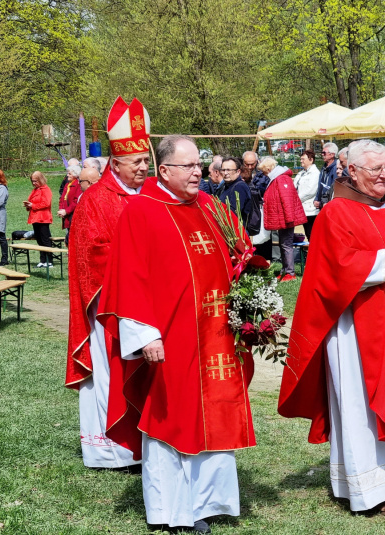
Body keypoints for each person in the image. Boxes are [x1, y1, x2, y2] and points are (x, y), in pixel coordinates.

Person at [278, 139, 385, 517]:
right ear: (351, 172)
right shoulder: (335, 214)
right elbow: (338, 268)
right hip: (358, 330)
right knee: (363, 407)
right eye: (375, 169)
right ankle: (369, 488)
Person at [98, 135, 256, 534]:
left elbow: (240, 254)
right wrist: (144, 335)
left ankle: (210, 501)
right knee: (173, 418)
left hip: (217, 334)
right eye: (188, 166)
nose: (199, 171)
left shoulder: (209, 205)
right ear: (165, 171)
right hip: (172, 339)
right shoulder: (142, 211)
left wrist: (255, 303)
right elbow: (129, 278)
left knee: (217, 410)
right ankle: (173, 510)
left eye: (200, 165)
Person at [66, 96, 150, 470]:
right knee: (110, 370)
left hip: (149, 302)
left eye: (146, 160)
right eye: (137, 162)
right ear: (115, 163)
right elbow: (88, 255)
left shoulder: (151, 195)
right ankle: (111, 450)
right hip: (107, 307)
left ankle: (146, 442)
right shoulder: (95, 200)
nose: (144, 168)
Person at [261, 157, 306, 282]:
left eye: (264, 171)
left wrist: (289, 218)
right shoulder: (279, 178)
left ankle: (290, 272)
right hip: (283, 217)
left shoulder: (281, 179)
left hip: (286, 218)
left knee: (286, 244)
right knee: (284, 243)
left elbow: (287, 200)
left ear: (268, 169)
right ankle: (285, 269)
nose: (264, 174)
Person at [24, 171, 54, 268]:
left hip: (43, 218)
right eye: (32, 181)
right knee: (39, 240)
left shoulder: (46, 189)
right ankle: (42, 260)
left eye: (35, 181)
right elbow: (32, 201)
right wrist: (28, 205)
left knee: (45, 239)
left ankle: (49, 260)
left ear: (40, 180)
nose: (34, 183)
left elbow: (46, 203)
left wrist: (33, 205)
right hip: (35, 217)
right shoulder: (35, 190)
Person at [294, 149, 320, 240]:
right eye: (300, 159)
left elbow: (310, 191)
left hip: (310, 210)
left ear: (311, 160)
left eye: (303, 159)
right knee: (308, 234)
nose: (301, 161)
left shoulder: (315, 174)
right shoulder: (301, 173)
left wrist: (296, 201)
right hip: (302, 209)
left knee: (311, 234)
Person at [218, 157, 253, 225]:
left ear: (238, 172)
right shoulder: (227, 186)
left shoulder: (239, 187)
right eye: (223, 170)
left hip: (236, 232)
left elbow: (233, 214)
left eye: (229, 170)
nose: (225, 173)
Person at [58, 165, 82, 245]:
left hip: (73, 214)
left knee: (72, 236)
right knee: (69, 235)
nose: (67, 175)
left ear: (75, 175)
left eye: (69, 174)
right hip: (66, 215)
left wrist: (66, 211)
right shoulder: (67, 185)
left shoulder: (78, 185)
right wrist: (61, 209)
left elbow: (76, 201)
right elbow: (62, 198)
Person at [314, 142, 338, 209]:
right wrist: (316, 199)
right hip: (322, 204)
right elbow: (320, 185)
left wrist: (323, 202)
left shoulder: (336, 168)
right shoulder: (324, 167)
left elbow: (333, 189)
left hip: (329, 205)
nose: (322, 154)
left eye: (324, 153)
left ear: (332, 154)